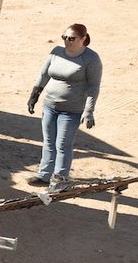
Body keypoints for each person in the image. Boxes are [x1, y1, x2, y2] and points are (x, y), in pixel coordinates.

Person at [27, 22, 102, 191]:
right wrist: (34, 95)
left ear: (83, 39)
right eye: (65, 37)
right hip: (50, 106)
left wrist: (89, 111)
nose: (68, 41)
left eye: (72, 38)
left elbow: (93, 87)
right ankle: (44, 175)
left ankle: (60, 180)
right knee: (48, 142)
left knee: (63, 145)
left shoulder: (91, 59)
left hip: (72, 110)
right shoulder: (56, 52)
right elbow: (44, 74)